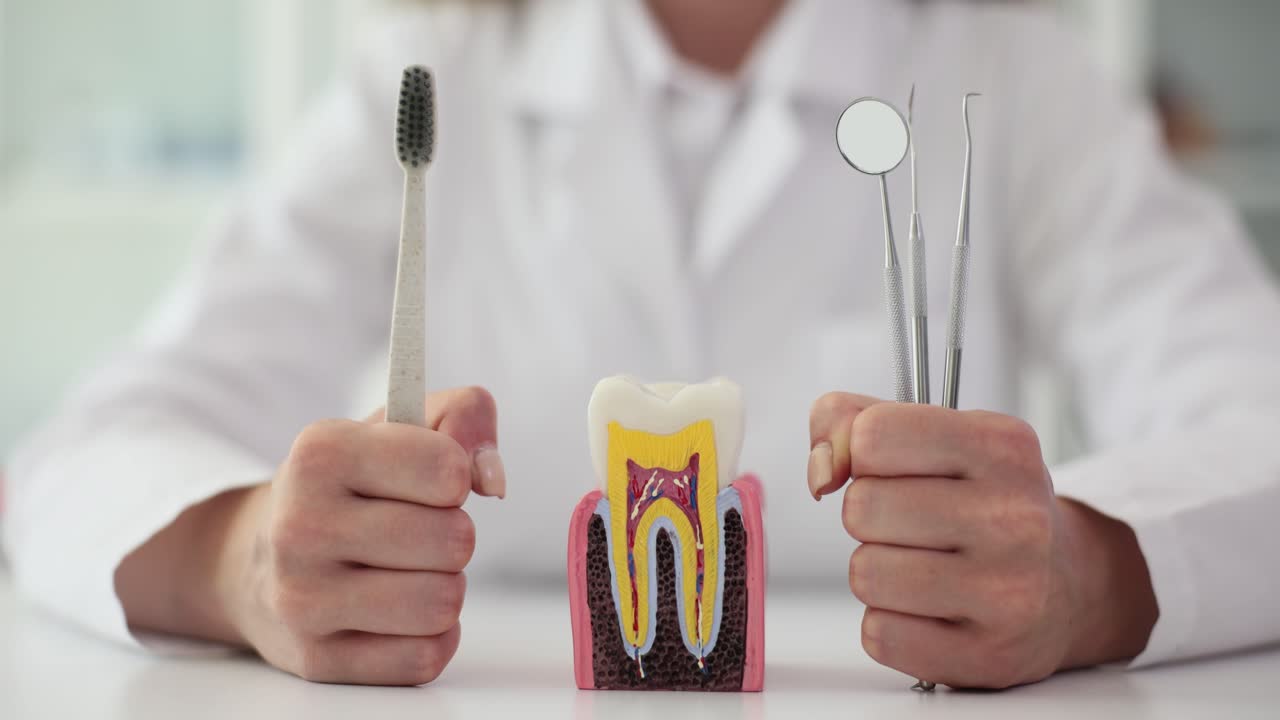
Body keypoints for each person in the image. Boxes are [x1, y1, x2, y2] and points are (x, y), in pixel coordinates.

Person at [6, 0, 1280, 689]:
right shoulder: (428, 71)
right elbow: (79, 458)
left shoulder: (1013, 79)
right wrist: (241, 561)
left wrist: (1089, 575)